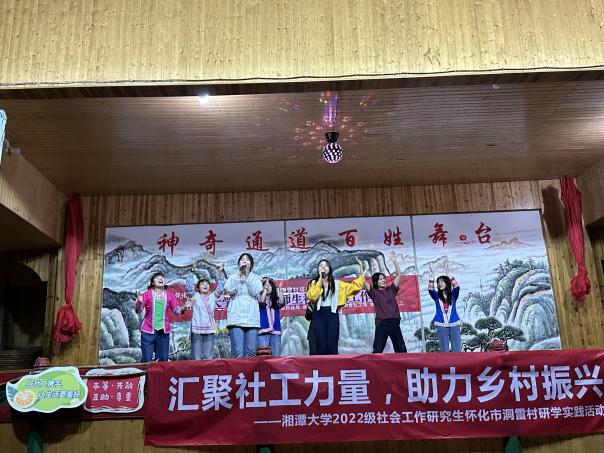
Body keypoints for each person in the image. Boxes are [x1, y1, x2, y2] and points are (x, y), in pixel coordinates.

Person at [306, 257, 365, 355]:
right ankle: (321, 364)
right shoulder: (314, 283)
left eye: (325, 266)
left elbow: (354, 287)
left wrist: (361, 269)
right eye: (321, 266)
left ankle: (332, 363)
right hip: (318, 314)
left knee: (332, 344)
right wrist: (320, 279)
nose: (323, 267)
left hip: (332, 313)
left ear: (329, 268)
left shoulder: (337, 284)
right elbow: (313, 296)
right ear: (318, 269)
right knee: (321, 344)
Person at [135, 272, 185, 362]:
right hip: (148, 330)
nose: (160, 279)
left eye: (162, 278)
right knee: (146, 359)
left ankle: (160, 372)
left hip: (163, 332)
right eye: (157, 278)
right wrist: (139, 302)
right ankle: (145, 372)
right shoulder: (146, 294)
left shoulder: (170, 295)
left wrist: (184, 306)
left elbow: (177, 312)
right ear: (152, 283)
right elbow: (138, 311)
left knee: (163, 360)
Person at [364, 251, 407, 353]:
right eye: (380, 279)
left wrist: (395, 261)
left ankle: (403, 363)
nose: (383, 280)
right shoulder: (374, 292)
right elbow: (363, 281)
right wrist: (362, 269)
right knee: (378, 350)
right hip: (382, 323)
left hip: (394, 322)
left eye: (384, 278)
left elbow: (399, 275)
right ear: (375, 282)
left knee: (401, 350)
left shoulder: (391, 289)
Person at [224, 253, 263, 357]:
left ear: (251, 265)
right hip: (236, 318)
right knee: (237, 351)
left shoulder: (256, 278)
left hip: (252, 319)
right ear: (239, 264)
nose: (244, 261)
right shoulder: (233, 277)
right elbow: (229, 290)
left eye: (247, 259)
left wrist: (246, 277)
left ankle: (250, 369)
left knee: (251, 351)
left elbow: (255, 291)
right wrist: (239, 276)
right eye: (242, 259)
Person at [188, 263, 226, 360]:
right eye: (202, 284)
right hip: (197, 329)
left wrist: (221, 273)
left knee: (208, 357)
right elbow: (189, 287)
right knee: (196, 357)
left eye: (207, 284)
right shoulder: (195, 296)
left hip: (209, 328)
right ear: (198, 287)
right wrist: (191, 272)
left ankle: (208, 370)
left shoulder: (213, 296)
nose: (205, 285)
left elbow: (220, 288)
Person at [428, 259, 462, 352]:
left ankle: (457, 362)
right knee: (444, 350)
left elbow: (456, 287)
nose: (440, 284)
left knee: (457, 349)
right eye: (438, 282)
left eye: (442, 282)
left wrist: (448, 274)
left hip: (454, 324)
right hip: (441, 325)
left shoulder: (453, 295)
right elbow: (430, 289)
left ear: (447, 283)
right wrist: (431, 275)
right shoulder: (436, 296)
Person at [257, 277, 286, 356]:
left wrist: (280, 290)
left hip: (275, 332)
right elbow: (261, 302)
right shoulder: (258, 298)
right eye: (265, 286)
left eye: (269, 286)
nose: (267, 287)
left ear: (272, 288)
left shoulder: (275, 301)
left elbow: (281, 302)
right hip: (263, 331)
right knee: (263, 356)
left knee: (276, 356)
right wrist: (265, 289)